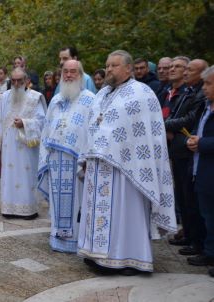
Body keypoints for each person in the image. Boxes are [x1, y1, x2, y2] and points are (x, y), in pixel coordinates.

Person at [78, 50, 177, 275]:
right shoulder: (102, 93)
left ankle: (129, 258)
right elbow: (91, 126)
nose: (109, 69)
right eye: (107, 65)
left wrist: (113, 149)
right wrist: (85, 156)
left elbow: (145, 134)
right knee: (98, 213)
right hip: (97, 167)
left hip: (127, 170)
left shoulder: (141, 93)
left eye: (114, 65)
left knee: (124, 215)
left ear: (128, 69)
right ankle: (97, 254)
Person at [38, 60, 95, 253]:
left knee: (78, 201)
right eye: (65, 72)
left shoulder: (89, 99)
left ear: (80, 75)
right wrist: (45, 157)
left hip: (76, 162)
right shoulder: (56, 100)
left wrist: (86, 158)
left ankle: (78, 240)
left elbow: (92, 131)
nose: (69, 75)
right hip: (55, 161)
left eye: (73, 72)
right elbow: (46, 130)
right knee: (57, 202)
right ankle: (58, 238)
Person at [0, 68, 46, 219]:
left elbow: (42, 123)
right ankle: (9, 208)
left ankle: (28, 209)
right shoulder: (5, 97)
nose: (16, 84)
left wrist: (25, 123)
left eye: (20, 80)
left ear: (26, 81)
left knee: (26, 176)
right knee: (9, 175)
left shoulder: (35, 98)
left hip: (27, 148)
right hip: (9, 146)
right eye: (14, 80)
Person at [165, 59, 208, 252]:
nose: (184, 74)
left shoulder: (199, 95)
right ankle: (190, 235)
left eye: (189, 70)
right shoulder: (188, 92)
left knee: (191, 200)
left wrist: (164, 124)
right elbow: (175, 114)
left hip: (188, 151)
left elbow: (190, 119)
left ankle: (198, 242)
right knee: (183, 197)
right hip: (180, 150)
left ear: (202, 73)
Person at [186, 66, 214, 278]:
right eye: (204, 83)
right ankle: (209, 252)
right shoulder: (207, 106)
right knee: (207, 216)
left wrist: (202, 143)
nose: (204, 88)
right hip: (201, 170)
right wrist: (194, 138)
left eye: (209, 84)